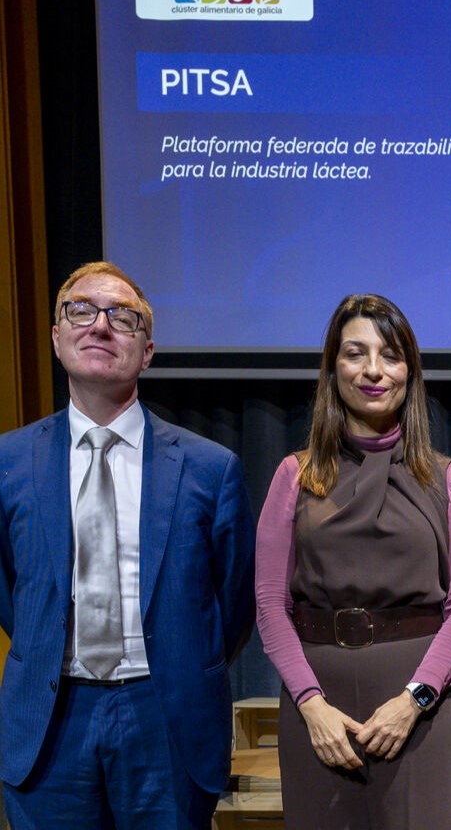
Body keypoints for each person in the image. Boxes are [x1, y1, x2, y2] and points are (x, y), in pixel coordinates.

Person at [0, 261, 255, 829]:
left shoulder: (210, 468)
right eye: (82, 311)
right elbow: (10, 589)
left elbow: (233, 602)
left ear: (147, 351)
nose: (100, 325)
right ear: (56, 337)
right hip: (51, 719)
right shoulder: (7, 462)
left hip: (165, 717)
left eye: (123, 318)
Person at [255, 294, 451, 829]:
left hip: (421, 713)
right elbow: (269, 604)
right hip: (320, 713)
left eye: (391, 354)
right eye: (356, 353)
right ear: (333, 367)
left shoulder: (447, 479)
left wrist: (414, 700)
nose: (374, 370)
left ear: (411, 370)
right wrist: (311, 706)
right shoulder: (295, 475)